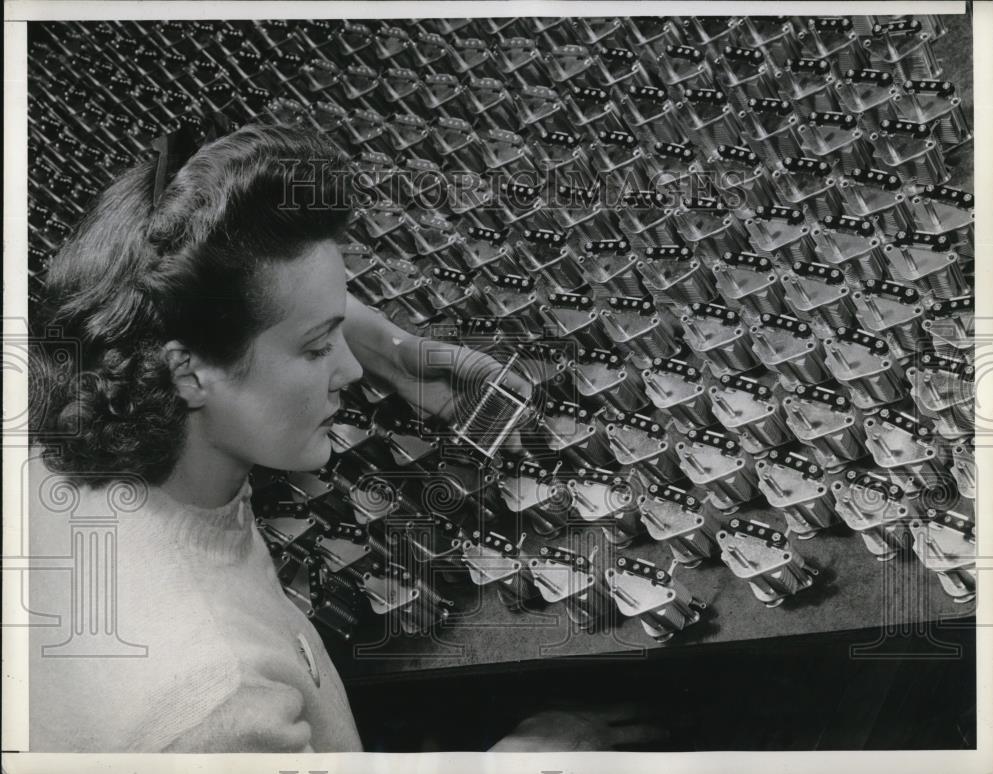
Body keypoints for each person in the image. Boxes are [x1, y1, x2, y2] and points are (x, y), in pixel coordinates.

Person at [27, 122, 663, 753]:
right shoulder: (219, 703)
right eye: (316, 347)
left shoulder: (70, 409)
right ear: (188, 371)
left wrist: (389, 349)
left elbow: (164, 271)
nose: (350, 372)